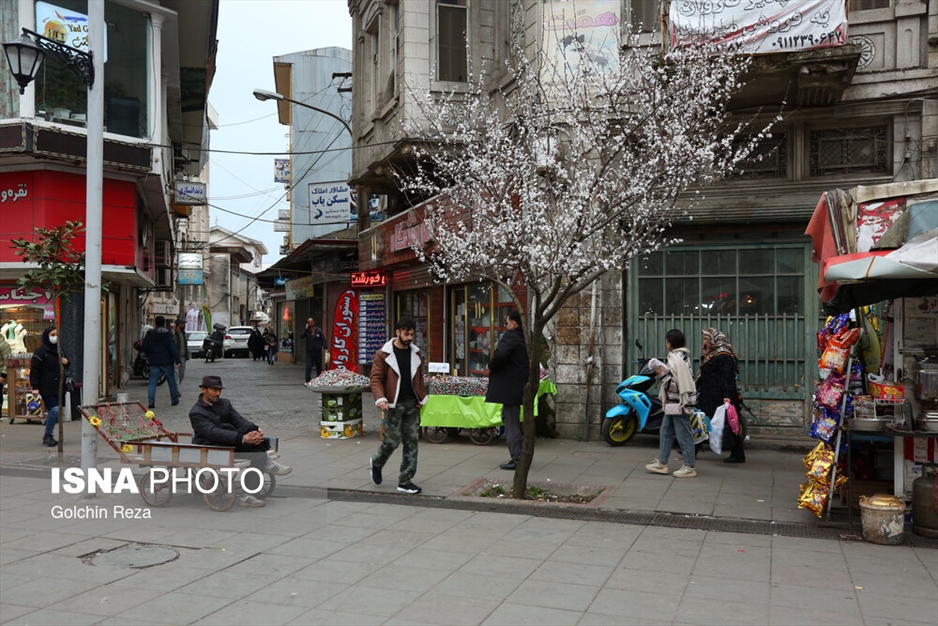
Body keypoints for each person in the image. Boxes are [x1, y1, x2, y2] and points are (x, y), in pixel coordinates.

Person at [189, 375, 292, 508]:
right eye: (214, 390)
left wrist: (255, 430)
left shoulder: (225, 403)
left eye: (219, 390)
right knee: (257, 453)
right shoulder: (196, 413)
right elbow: (214, 433)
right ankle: (250, 491)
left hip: (229, 443)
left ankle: (260, 471)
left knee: (256, 446)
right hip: (212, 447)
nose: (218, 393)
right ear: (203, 390)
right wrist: (243, 438)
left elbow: (238, 420)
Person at [369, 318, 428, 494]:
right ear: (397, 332)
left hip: (412, 403)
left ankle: (405, 480)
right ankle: (377, 462)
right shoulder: (383, 354)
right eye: (406, 334)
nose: (410, 338)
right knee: (392, 441)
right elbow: (376, 378)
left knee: (412, 441)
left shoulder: (415, 354)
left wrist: (421, 398)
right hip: (392, 404)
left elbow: (419, 378)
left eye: (412, 334)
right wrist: (381, 399)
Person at [645, 328, 698, 478]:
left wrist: (661, 374)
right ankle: (662, 463)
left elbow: (677, 385)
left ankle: (689, 466)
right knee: (666, 431)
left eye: (667, 341)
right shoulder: (681, 356)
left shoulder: (676, 359)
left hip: (679, 403)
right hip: (673, 403)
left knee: (684, 434)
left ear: (670, 343)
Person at [485, 311, 530, 470]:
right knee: (509, 417)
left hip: (510, 386)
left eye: (507, 322)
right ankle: (521, 455)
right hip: (518, 385)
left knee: (511, 422)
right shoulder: (525, 338)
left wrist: (490, 366)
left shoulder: (511, 336)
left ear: (514, 323)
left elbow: (501, 354)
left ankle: (517, 458)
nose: (506, 326)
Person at [698, 327, 745, 463]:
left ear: (715, 340)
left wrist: (727, 396)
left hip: (722, 397)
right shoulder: (713, 355)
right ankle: (694, 447)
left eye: (706, 339)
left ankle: (738, 454)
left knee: (730, 426)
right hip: (710, 395)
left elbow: (727, 377)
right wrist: (705, 354)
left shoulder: (724, 356)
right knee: (703, 421)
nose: (704, 342)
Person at [29, 327, 69, 447]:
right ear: (47, 336)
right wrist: (35, 387)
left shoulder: (59, 350)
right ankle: (48, 435)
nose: (55, 337)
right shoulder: (40, 352)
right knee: (55, 409)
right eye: (52, 334)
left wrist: (67, 362)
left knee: (58, 410)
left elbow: (65, 365)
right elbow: (34, 370)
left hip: (59, 385)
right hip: (46, 386)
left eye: (56, 334)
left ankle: (51, 434)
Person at [141, 315, 181, 409]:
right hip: (167, 361)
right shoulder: (168, 334)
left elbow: (144, 347)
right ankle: (174, 400)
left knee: (152, 382)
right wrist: (177, 360)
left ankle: (151, 402)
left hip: (154, 361)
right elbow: (172, 348)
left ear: (155, 323)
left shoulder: (150, 334)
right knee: (171, 381)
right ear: (164, 323)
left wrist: (148, 356)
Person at [299, 317, 328, 383]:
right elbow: (301, 336)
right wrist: (305, 329)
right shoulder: (307, 331)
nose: (310, 323)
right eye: (309, 322)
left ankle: (319, 378)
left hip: (317, 351)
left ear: (313, 322)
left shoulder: (318, 331)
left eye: (311, 322)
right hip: (309, 351)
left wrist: (325, 348)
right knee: (308, 365)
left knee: (318, 365)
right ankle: (307, 379)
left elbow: (323, 339)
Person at [171, 318, 188, 390]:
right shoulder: (173, 334)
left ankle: (177, 385)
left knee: (182, 374)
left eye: (184, 324)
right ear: (178, 324)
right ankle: (176, 389)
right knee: (176, 374)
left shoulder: (184, 334)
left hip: (183, 357)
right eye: (182, 323)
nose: (184, 325)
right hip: (175, 357)